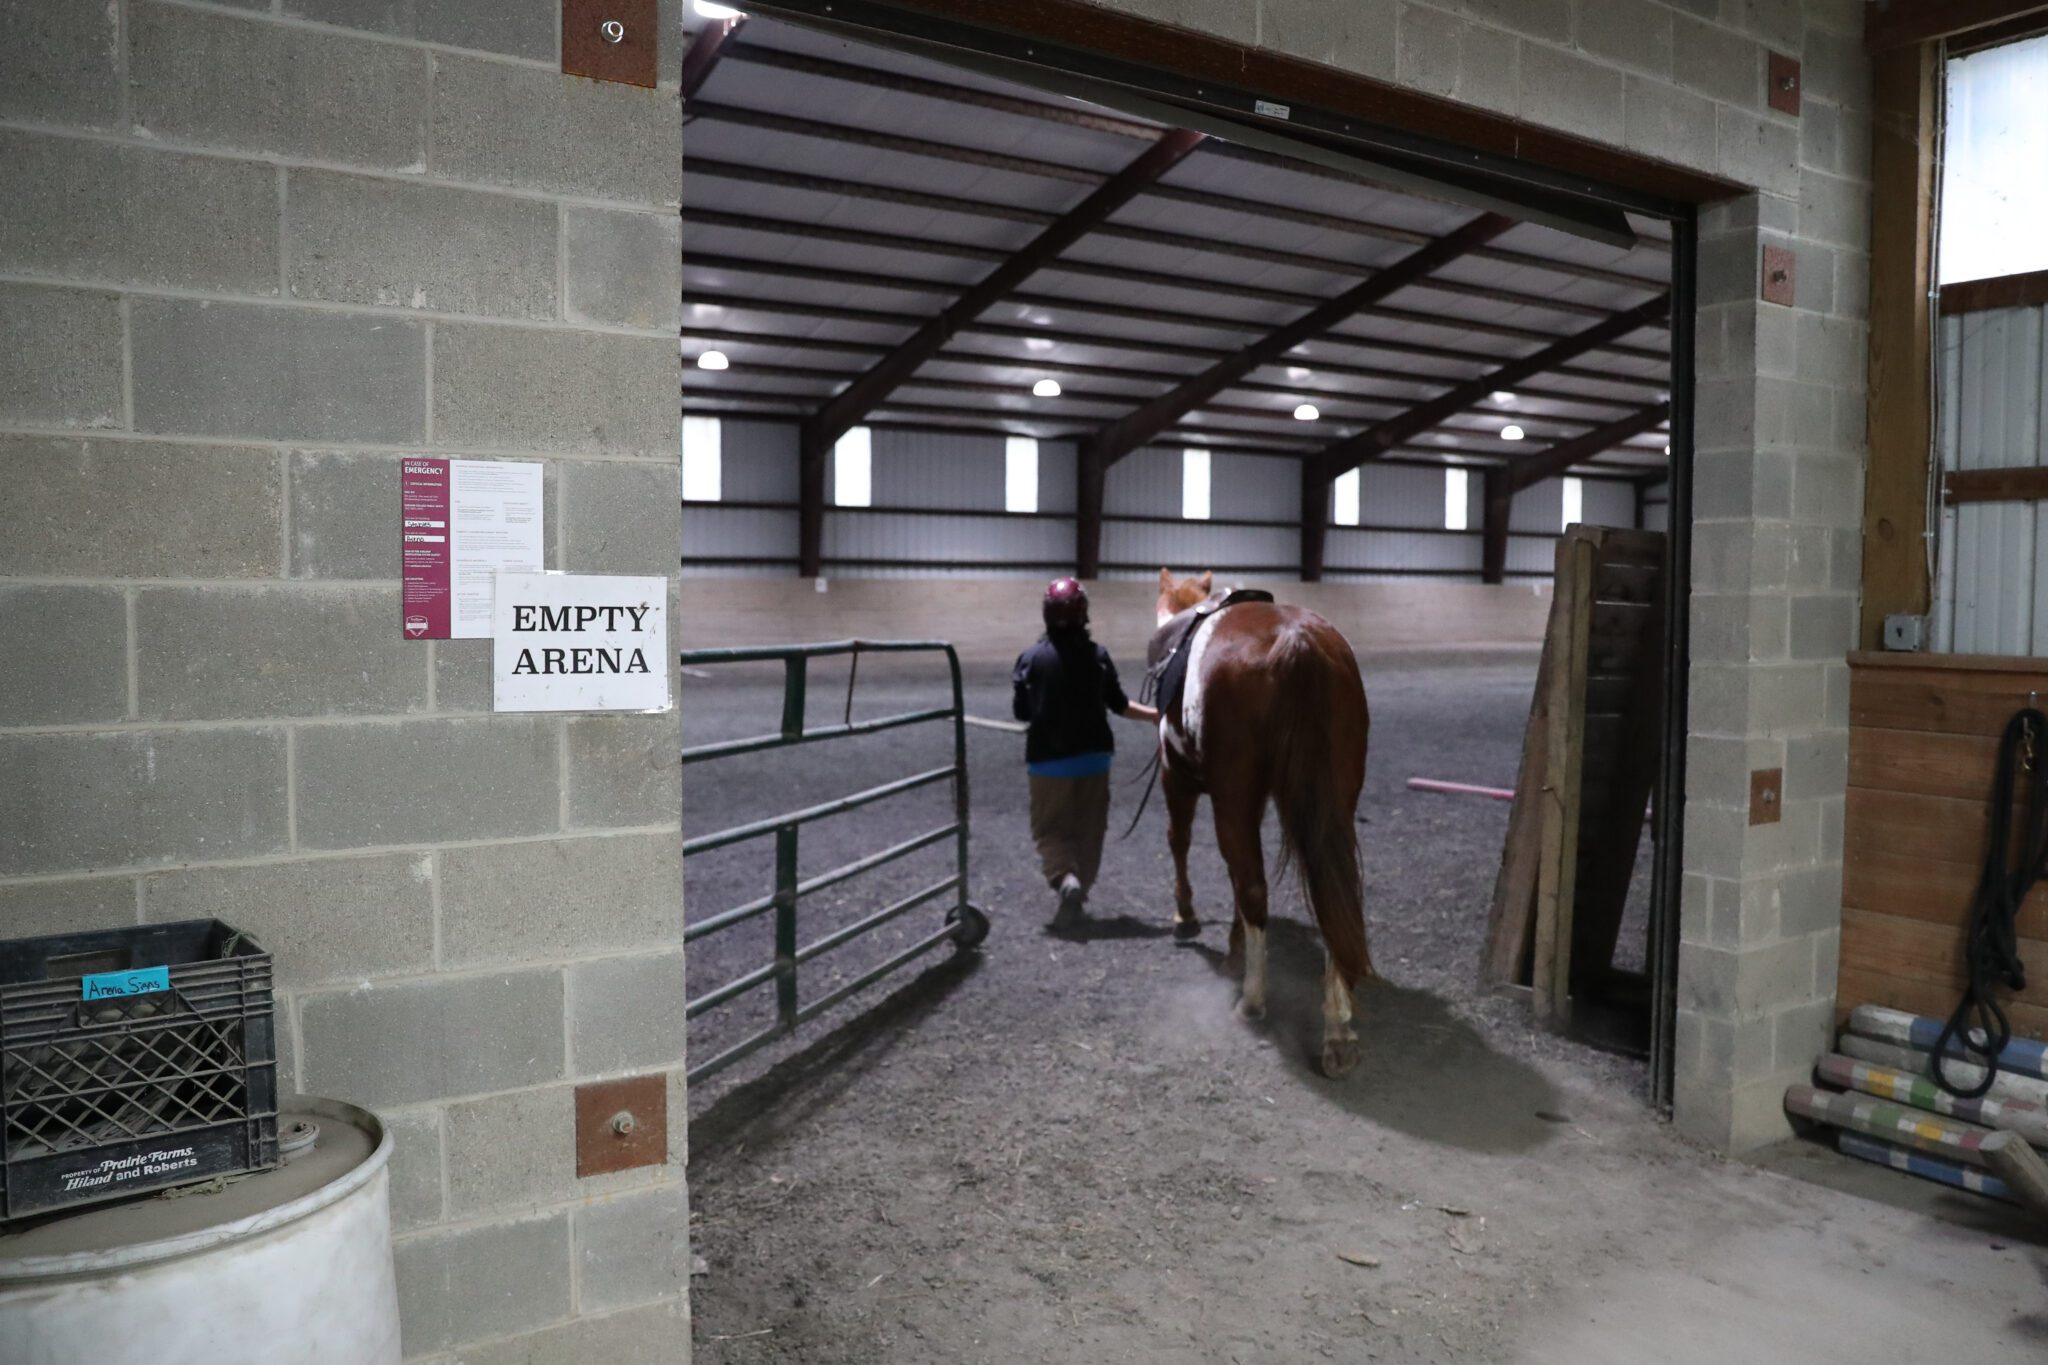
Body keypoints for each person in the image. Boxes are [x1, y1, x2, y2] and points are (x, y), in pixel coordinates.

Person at [1012, 577, 1159, 929]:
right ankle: (1079, 891)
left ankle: (1066, 880)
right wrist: (1156, 716)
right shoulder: (1099, 657)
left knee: (1050, 831)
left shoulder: (1030, 659)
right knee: (1090, 831)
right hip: (1095, 759)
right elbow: (1119, 705)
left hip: (1048, 762)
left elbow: (1022, 712)